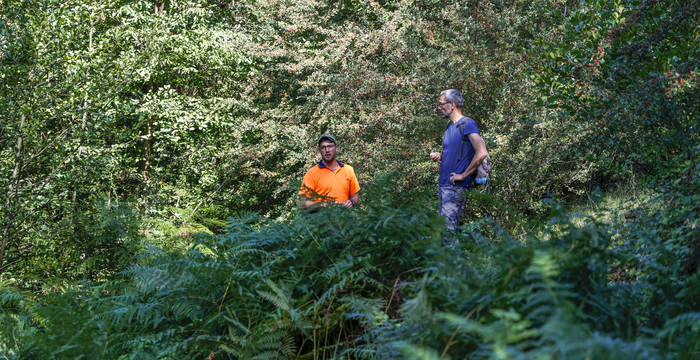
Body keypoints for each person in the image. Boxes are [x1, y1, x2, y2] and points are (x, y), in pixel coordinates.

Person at [429, 89, 488, 234]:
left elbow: (481, 152)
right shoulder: (449, 126)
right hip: (444, 185)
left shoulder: (467, 124)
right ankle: (449, 256)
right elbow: (457, 154)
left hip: (456, 187)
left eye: (441, 103)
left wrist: (462, 175)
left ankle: (451, 257)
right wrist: (441, 156)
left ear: (452, 104)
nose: (439, 107)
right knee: (444, 232)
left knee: (447, 233)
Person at [300, 134, 360, 210]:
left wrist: (351, 202)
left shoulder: (348, 170)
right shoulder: (312, 173)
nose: (327, 150)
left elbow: (355, 196)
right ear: (320, 150)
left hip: (344, 219)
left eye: (330, 146)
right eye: (323, 147)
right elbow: (302, 203)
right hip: (320, 220)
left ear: (336, 148)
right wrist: (324, 205)